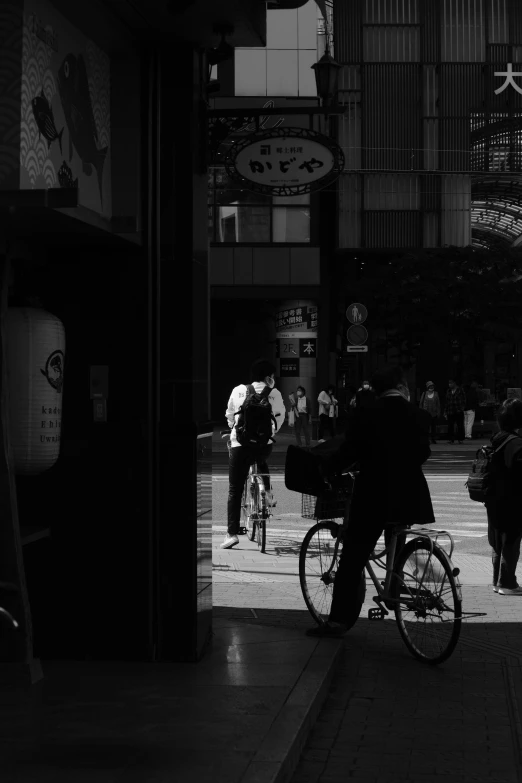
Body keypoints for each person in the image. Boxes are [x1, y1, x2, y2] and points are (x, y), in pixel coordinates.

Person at [306, 365, 435, 637]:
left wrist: (327, 469)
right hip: (410, 494)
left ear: (375, 391)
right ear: (400, 386)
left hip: (374, 495)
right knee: (397, 538)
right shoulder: (419, 415)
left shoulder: (366, 415)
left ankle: (338, 621)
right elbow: (423, 453)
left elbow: (347, 452)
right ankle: (393, 588)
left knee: (352, 557)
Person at [222, 359, 285, 550]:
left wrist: (233, 428)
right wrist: (269, 434)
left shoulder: (238, 390)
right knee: (261, 460)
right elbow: (279, 417)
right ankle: (267, 494)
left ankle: (232, 534)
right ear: (268, 378)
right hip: (263, 445)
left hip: (240, 444)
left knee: (235, 489)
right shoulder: (274, 393)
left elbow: (230, 415)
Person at [485, 398, 522, 595]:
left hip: (493, 499)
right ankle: (508, 583)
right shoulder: (516, 443)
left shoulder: (498, 439)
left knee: (497, 542)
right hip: (512, 500)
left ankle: (497, 581)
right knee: (511, 540)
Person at [444, 378, 466, 444]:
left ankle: (460, 439)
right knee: (450, 425)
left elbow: (464, 400)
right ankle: (451, 439)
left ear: (454, 383)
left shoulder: (460, 390)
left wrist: (462, 408)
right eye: (449, 383)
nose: (449, 385)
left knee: (460, 425)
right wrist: (445, 411)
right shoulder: (448, 391)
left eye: (451, 383)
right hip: (450, 410)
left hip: (458, 410)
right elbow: (446, 401)